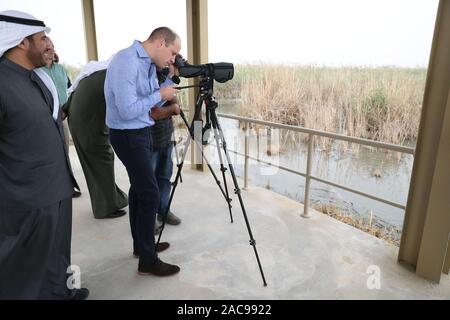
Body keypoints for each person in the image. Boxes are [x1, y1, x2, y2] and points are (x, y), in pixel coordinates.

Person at [0, 10, 88, 299]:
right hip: (26, 198)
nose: (47, 44)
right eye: (42, 38)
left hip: (56, 188)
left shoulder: (37, 78)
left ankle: (60, 292)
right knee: (26, 267)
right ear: (22, 42)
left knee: (56, 254)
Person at [105, 27, 181, 276]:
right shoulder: (126, 61)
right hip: (128, 135)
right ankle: (148, 260)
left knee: (140, 191)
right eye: (173, 52)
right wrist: (160, 93)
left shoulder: (149, 65)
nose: (173, 58)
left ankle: (142, 246)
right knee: (149, 193)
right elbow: (128, 110)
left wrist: (169, 82)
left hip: (140, 131)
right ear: (161, 42)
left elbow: (150, 104)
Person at [62, 62, 128, 219]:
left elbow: (73, 92)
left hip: (80, 121)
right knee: (102, 160)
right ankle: (105, 208)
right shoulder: (112, 77)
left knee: (99, 162)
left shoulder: (95, 73)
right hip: (88, 125)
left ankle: (111, 200)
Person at [40, 37, 82, 198]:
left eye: (52, 47)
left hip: (64, 116)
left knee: (64, 152)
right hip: (46, 118)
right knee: (51, 153)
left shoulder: (61, 69)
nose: (50, 50)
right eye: (46, 48)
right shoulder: (37, 72)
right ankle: (54, 188)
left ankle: (68, 186)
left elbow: (70, 90)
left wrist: (67, 109)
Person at [152, 70, 182, 233]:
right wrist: (173, 109)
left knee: (164, 176)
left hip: (166, 135)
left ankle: (163, 210)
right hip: (149, 138)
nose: (171, 61)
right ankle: (148, 220)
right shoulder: (147, 76)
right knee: (148, 181)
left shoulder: (166, 78)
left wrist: (174, 100)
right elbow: (153, 113)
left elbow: (174, 102)